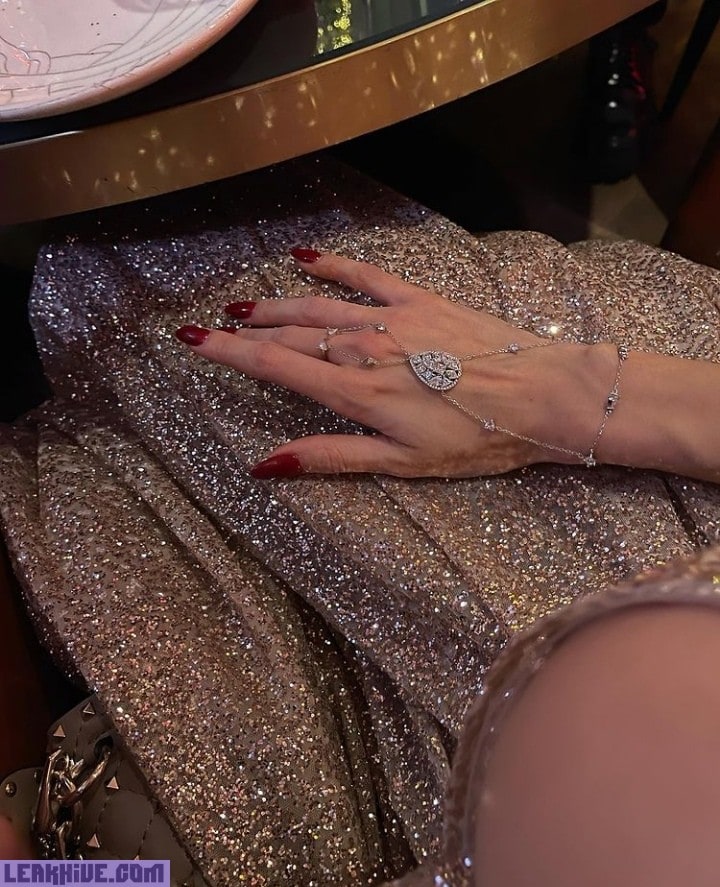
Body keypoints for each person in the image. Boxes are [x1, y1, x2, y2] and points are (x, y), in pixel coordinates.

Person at [0, 156, 719, 883]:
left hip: (571, 751)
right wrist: (572, 391)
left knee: (138, 278)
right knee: (175, 251)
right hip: (675, 417)